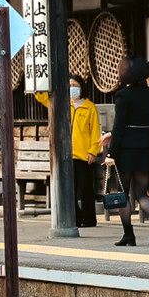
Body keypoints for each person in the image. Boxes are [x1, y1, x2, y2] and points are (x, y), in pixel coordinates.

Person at [101, 56, 149, 246]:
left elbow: (120, 127)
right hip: (145, 145)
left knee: (122, 193)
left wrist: (110, 154)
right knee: (142, 193)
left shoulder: (122, 95)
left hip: (126, 149)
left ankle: (129, 234)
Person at [34, 74, 101, 227]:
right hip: (66, 155)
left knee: (85, 190)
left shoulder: (89, 107)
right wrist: (41, 81)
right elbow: (42, 98)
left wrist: (93, 150)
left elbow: (95, 131)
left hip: (84, 155)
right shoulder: (62, 103)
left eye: (74, 85)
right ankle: (76, 218)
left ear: (81, 87)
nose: (71, 88)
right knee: (68, 190)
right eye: (69, 85)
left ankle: (90, 220)